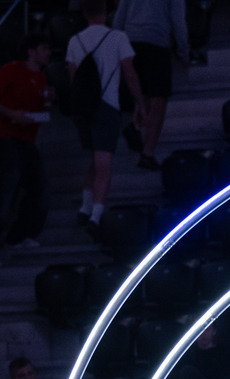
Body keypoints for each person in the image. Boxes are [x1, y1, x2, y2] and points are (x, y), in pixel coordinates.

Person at [66, 0, 146, 236]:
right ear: (106, 12)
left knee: (94, 158)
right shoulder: (117, 38)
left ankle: (85, 205)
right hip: (106, 105)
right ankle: (96, 215)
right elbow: (129, 73)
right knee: (104, 164)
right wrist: (139, 102)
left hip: (83, 109)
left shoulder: (74, 41)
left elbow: (73, 78)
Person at [112, 0, 189, 171]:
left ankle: (136, 126)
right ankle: (148, 152)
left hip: (132, 41)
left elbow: (119, 16)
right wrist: (184, 51)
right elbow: (178, 19)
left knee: (143, 95)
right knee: (158, 101)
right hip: (156, 42)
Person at [0, 33, 53, 251]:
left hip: (27, 140)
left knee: (39, 186)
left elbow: (41, 108)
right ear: (31, 52)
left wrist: (48, 103)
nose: (48, 53)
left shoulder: (42, 78)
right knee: (9, 183)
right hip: (6, 137)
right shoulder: (11, 70)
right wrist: (13, 113)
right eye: (44, 48)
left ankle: (19, 235)